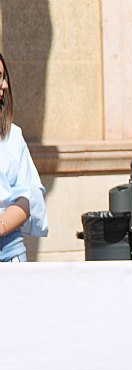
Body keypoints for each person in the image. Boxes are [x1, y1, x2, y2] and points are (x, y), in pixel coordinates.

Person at [0, 53, 48, 262]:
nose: (4, 85)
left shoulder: (12, 137)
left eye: (3, 77)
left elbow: (27, 197)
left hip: (9, 254)